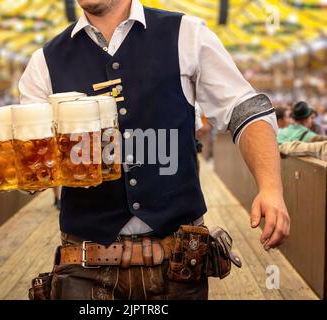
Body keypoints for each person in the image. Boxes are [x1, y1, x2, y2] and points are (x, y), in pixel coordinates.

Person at [19, 0, 289, 300]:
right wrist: (28, 174)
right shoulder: (44, 61)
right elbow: (31, 163)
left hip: (179, 264)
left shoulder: (187, 33)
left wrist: (271, 188)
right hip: (84, 269)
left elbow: (244, 109)